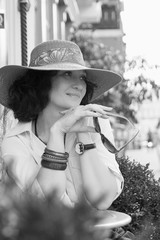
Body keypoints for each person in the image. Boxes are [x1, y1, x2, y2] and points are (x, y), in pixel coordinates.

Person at [0, 40, 124, 209]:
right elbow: (47, 205)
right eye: (67, 74)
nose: (79, 85)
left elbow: (102, 199)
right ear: (40, 83)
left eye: (82, 77)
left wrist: (83, 134)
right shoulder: (16, 141)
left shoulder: (96, 124)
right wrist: (57, 132)